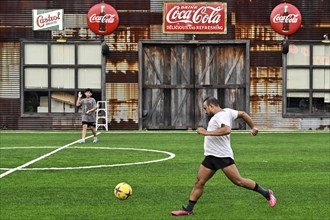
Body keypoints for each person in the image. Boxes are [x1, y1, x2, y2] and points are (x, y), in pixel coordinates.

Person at [171, 96, 276, 216]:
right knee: (199, 182)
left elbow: (226, 130)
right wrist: (253, 127)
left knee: (239, 181)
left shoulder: (220, 116)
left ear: (212, 106)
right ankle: (188, 210)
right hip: (211, 156)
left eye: (206, 108)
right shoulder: (228, 112)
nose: (205, 112)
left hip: (222, 156)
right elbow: (242, 114)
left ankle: (267, 193)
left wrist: (206, 132)